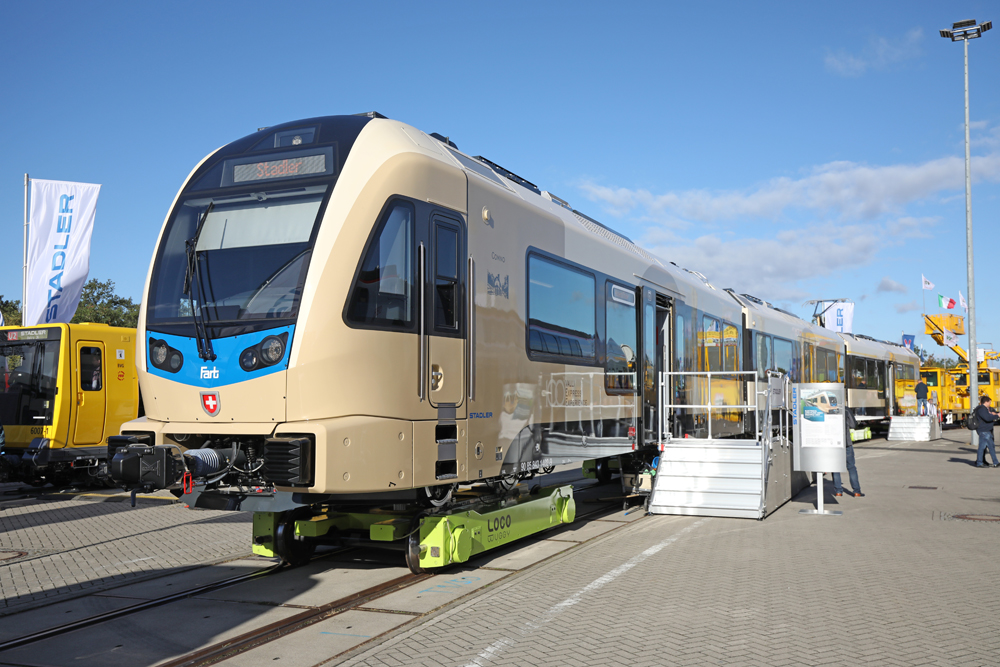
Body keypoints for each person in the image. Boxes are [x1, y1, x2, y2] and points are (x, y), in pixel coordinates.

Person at [833, 407, 863, 497]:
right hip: (846, 443)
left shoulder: (827, 409)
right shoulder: (845, 409)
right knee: (851, 467)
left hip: (834, 443)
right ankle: (856, 491)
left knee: (835, 468)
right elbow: (853, 425)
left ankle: (838, 491)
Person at [973, 395, 1000, 468]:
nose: (990, 404)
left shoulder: (984, 409)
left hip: (986, 431)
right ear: (986, 402)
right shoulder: (982, 409)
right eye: (989, 402)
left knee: (991, 447)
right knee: (982, 447)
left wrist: (994, 414)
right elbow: (987, 418)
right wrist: (997, 415)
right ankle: (979, 462)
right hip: (984, 430)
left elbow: (989, 416)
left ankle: (996, 462)